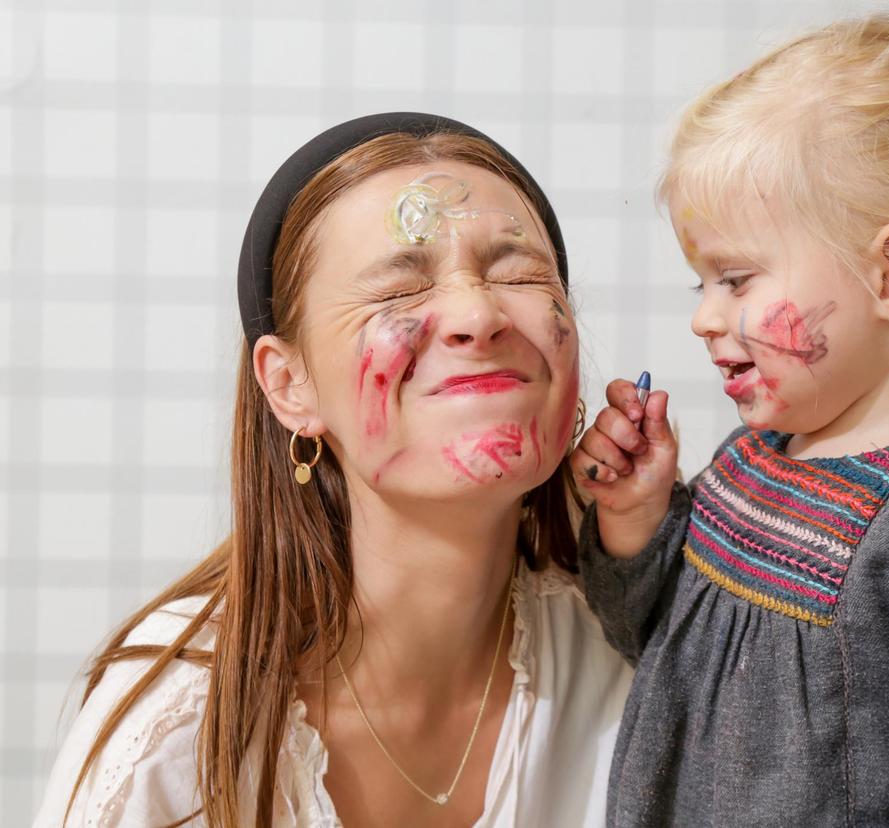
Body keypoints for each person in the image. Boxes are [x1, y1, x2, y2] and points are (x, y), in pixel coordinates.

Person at [34, 113, 632, 827]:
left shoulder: (632, 664)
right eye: (398, 292)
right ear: (289, 385)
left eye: (519, 273)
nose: (478, 312)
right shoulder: (176, 734)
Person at [571, 15, 889, 827]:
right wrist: (636, 516)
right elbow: (651, 645)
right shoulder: (752, 460)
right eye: (702, 284)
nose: (704, 318)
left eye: (734, 278)